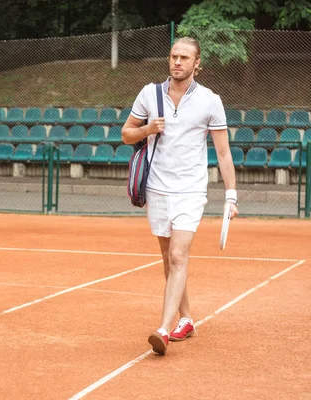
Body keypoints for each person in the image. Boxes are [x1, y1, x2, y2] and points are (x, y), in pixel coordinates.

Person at [121, 37, 239, 356]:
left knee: (178, 256)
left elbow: (224, 154)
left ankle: (163, 328)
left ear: (197, 63)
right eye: (174, 56)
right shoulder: (149, 94)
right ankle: (186, 317)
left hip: (190, 190)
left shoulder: (210, 101)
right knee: (168, 258)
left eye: (184, 57)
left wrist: (231, 194)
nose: (177, 62)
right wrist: (147, 130)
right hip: (157, 188)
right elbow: (126, 133)